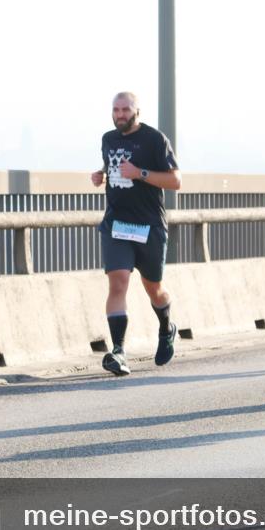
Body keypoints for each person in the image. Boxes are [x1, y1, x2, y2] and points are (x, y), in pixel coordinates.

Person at [91, 92, 182, 376]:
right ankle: (118, 351)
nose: (120, 114)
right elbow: (114, 164)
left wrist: (140, 173)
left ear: (137, 111)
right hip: (117, 225)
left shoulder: (155, 139)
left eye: (125, 109)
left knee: (154, 288)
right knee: (118, 283)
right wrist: (101, 174)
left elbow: (175, 180)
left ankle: (167, 328)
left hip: (149, 226)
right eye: (116, 110)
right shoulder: (108, 139)